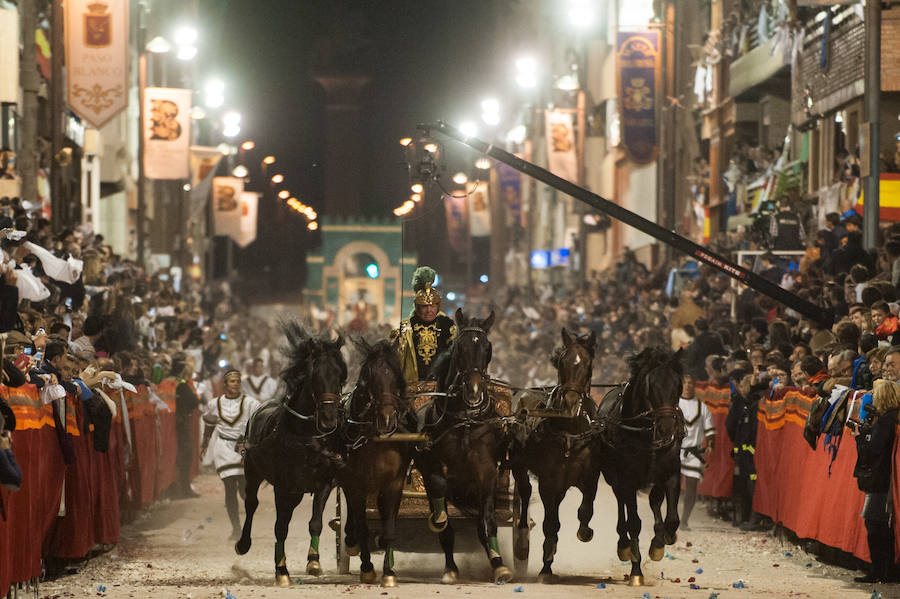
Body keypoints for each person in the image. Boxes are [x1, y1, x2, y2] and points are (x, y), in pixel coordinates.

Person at [851, 379, 900, 583]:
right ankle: (885, 570)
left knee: (875, 525)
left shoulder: (887, 420)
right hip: (885, 478)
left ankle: (880, 571)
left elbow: (874, 449)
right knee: (880, 526)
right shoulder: (890, 418)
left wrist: (859, 437)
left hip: (881, 479)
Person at [203, 368, 261, 540]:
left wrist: (251, 442)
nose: (235, 384)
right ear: (225, 384)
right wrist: (204, 442)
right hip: (223, 447)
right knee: (229, 488)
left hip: (243, 448)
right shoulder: (214, 404)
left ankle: (248, 523)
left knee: (244, 490)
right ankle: (236, 528)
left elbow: (258, 424)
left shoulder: (251, 403)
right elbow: (209, 423)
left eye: (238, 381)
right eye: (232, 381)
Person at [393, 266, 456, 384]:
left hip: (442, 387)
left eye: (432, 306)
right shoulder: (406, 327)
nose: (429, 310)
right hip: (412, 387)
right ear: (417, 307)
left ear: (438, 306)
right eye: (424, 306)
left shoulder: (447, 325)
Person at [678, 374, 715, 530]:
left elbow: (709, 427)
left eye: (690, 383)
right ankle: (670, 517)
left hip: (694, 452)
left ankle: (684, 520)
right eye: (685, 383)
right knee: (672, 485)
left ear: (694, 386)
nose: (687, 386)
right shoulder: (673, 403)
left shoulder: (702, 407)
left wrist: (711, 444)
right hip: (675, 451)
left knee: (691, 486)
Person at [170, 353, 200, 498]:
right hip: (182, 422)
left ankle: (176, 489)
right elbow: (194, 401)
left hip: (170, 423)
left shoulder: (167, 382)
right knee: (185, 455)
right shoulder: (181, 384)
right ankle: (184, 489)